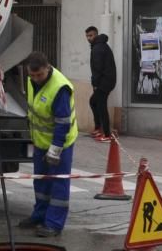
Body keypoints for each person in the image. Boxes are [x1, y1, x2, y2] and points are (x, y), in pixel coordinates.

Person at [19, 52, 78, 238]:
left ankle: (54, 224)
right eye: (32, 75)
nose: (36, 79)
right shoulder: (31, 81)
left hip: (61, 143)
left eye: (40, 75)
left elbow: (62, 122)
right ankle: (40, 216)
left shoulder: (60, 87)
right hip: (40, 141)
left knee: (58, 183)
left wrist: (56, 149)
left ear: (48, 68)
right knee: (41, 181)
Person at [86, 26, 117, 142]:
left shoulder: (98, 48)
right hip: (106, 81)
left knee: (101, 105)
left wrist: (95, 84)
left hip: (104, 82)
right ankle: (99, 128)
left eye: (91, 35)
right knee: (93, 102)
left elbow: (98, 69)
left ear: (95, 35)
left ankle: (107, 135)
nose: (88, 38)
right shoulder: (100, 45)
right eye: (87, 36)